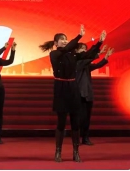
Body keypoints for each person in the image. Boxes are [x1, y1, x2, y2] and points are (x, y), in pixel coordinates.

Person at [39, 25, 106, 163]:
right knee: (61, 123)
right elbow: (66, 49)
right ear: (56, 43)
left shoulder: (73, 55)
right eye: (62, 39)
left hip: (73, 88)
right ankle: (58, 151)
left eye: (66, 39)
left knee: (75, 123)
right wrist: (79, 36)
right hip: (61, 89)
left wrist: (99, 42)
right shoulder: (54, 54)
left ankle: (76, 152)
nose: (65, 41)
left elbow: (88, 55)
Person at [76, 43, 114, 146]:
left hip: (88, 93)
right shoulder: (77, 62)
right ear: (76, 51)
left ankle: (85, 138)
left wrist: (106, 57)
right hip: (78, 94)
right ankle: (76, 138)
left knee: (87, 118)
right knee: (79, 118)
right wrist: (98, 53)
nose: (84, 51)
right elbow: (88, 59)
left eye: (85, 49)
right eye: (81, 49)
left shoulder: (86, 65)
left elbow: (97, 65)